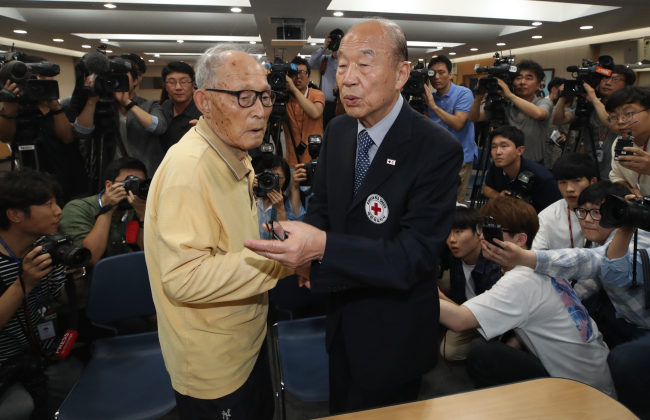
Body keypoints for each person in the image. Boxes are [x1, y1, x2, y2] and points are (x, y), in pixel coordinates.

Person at [244, 19, 463, 414]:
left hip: (392, 331)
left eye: (364, 65)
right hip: (340, 317)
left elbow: (411, 257)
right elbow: (323, 206)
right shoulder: (341, 129)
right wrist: (306, 249)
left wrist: (321, 247)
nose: (347, 79)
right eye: (341, 66)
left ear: (401, 74)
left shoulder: (436, 149)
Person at [144, 44, 294, 420]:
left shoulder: (233, 149)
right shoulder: (190, 169)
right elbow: (184, 277)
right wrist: (281, 260)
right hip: (214, 363)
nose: (260, 110)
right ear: (204, 102)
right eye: (242, 97)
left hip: (244, 337)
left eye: (264, 95)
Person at [439, 196, 616, 397]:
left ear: (520, 239)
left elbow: (459, 321)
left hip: (580, 393)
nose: (482, 237)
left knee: (482, 353)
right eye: (480, 229)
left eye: (491, 231)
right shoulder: (545, 264)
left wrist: (422, 292)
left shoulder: (518, 282)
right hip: (598, 377)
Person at [0, 170, 85, 419]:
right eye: (48, 204)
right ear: (14, 214)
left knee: (78, 380)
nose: (58, 211)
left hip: (42, 353)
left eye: (56, 202)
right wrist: (22, 284)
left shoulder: (44, 247)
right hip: (5, 364)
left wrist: (77, 274)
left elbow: (67, 299)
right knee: (19, 408)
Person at [0, 57, 88, 203]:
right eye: (37, 79)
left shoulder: (63, 108)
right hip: (31, 179)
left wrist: (53, 105)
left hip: (68, 177)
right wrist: (9, 108)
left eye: (48, 79)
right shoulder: (17, 110)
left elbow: (67, 138)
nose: (40, 84)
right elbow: (5, 137)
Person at [74, 55, 168, 176]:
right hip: (111, 175)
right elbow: (81, 133)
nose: (115, 80)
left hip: (145, 173)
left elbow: (159, 127)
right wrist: (91, 100)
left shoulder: (148, 105)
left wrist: (128, 103)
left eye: (120, 77)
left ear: (135, 80)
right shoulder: (99, 106)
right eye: (111, 77)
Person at [59, 157, 147, 267]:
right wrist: (107, 210)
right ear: (109, 186)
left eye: (138, 184)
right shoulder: (77, 208)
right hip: (92, 280)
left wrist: (144, 216)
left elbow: (143, 256)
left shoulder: (139, 209)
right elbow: (89, 259)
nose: (132, 190)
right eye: (128, 183)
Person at [553, 65, 636, 181]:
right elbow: (558, 120)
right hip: (592, 172)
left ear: (627, 86)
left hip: (616, 174)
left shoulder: (629, 109)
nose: (607, 83)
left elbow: (615, 127)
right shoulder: (588, 107)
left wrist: (595, 100)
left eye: (616, 79)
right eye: (604, 78)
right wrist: (563, 97)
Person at [439, 206, 501, 361]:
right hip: (467, 309)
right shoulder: (453, 254)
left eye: (459, 231)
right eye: (449, 231)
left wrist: (441, 298)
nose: (452, 239)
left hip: (489, 320)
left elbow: (488, 318)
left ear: (479, 233)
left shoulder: (494, 267)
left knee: (450, 351)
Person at [469, 60, 553, 164]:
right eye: (518, 78)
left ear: (538, 85)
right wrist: (479, 96)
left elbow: (538, 114)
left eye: (528, 78)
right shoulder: (503, 103)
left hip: (533, 164)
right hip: (504, 164)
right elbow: (474, 118)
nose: (522, 82)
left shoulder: (543, 102)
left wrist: (509, 95)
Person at [422, 55, 476, 203]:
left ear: (450, 74)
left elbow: (458, 123)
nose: (437, 77)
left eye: (442, 72)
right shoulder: (429, 97)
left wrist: (433, 106)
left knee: (454, 204)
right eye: (433, 73)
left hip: (460, 158)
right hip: (435, 159)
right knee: (435, 201)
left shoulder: (463, 93)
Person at [482, 125, 562, 213]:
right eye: (494, 147)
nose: (497, 152)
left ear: (520, 150)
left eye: (504, 146)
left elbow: (559, 210)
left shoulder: (542, 178)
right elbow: (487, 188)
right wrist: (499, 196)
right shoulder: (498, 165)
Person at [532, 153, 597, 251]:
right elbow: (536, 256)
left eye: (576, 181)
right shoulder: (547, 216)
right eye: (562, 182)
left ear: (593, 182)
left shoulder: (606, 213)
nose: (569, 189)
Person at [605, 86, 650, 197]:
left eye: (628, 113)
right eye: (614, 116)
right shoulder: (619, 142)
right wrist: (628, 190)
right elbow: (616, 176)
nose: (620, 121)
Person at [283, 57, 325, 167]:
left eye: (302, 72)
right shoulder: (284, 98)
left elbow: (315, 113)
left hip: (315, 157)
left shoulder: (316, 94)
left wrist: (293, 89)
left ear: (309, 77)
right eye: (294, 73)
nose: (298, 77)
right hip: (292, 159)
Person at [253, 155, 305, 239]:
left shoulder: (285, 204)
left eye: (277, 177)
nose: (271, 181)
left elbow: (287, 237)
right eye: (267, 177)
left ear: (286, 180)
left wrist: (280, 210)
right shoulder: (250, 199)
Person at [159, 61, 202, 153]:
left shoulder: (203, 111)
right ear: (165, 86)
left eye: (183, 82)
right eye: (172, 82)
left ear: (193, 85)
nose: (178, 87)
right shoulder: (164, 107)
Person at [308, 28, 344, 129]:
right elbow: (310, 63)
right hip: (326, 106)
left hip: (343, 105)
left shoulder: (347, 61)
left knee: (340, 133)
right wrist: (323, 47)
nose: (335, 48)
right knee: (324, 133)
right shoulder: (325, 60)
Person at [544, 77, 573, 169]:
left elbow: (570, 138)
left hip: (550, 153)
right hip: (547, 154)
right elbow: (572, 139)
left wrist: (565, 136)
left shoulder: (566, 110)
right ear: (554, 90)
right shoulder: (539, 106)